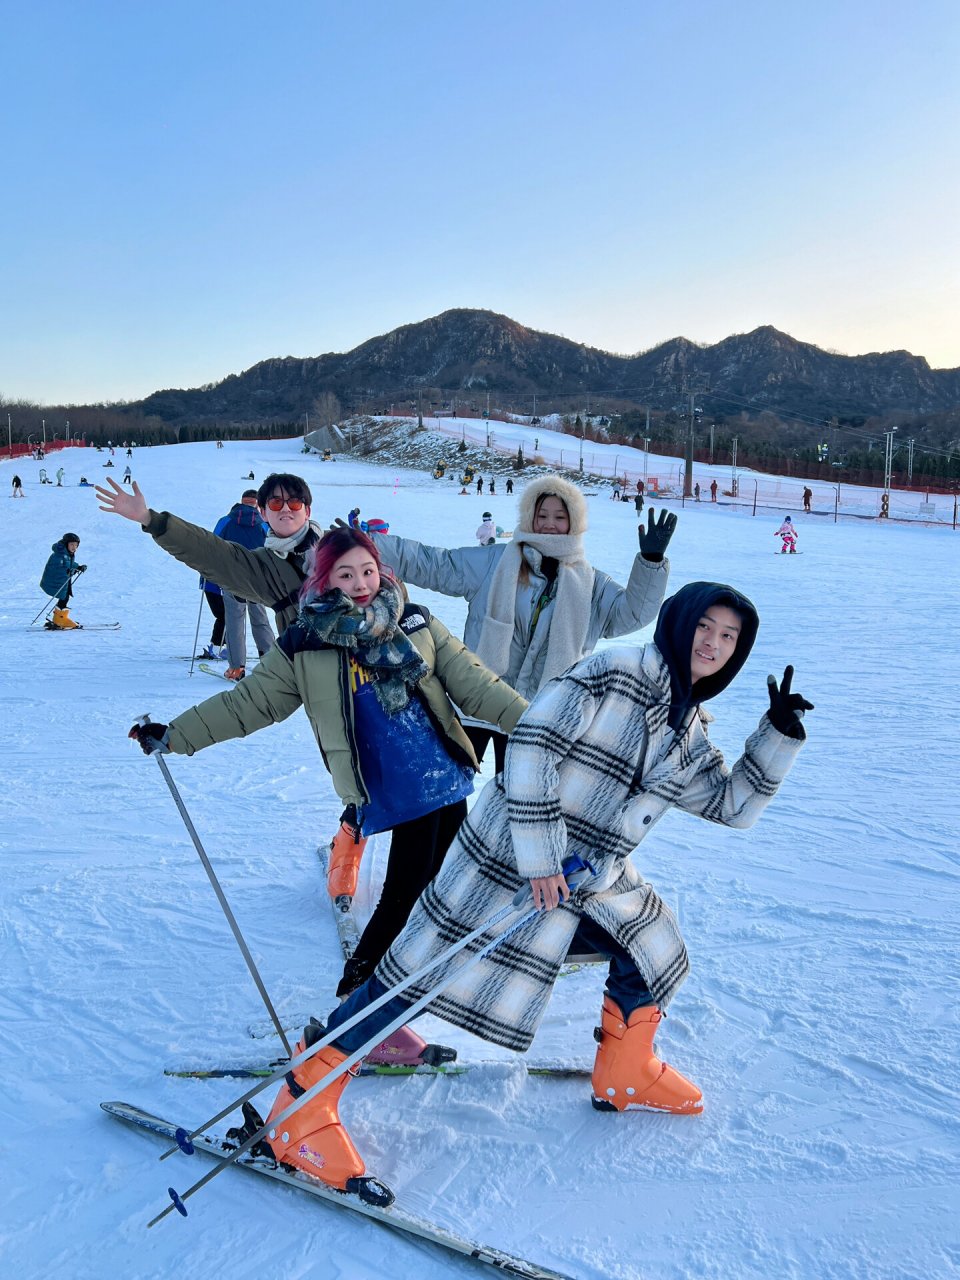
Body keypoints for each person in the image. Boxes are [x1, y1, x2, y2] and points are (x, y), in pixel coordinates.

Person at [230, 581, 812, 1192]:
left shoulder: (685, 729)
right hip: (510, 862)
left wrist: (776, 734)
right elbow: (531, 745)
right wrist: (541, 859)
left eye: (729, 638)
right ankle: (301, 1103)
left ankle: (627, 1068)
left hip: (591, 878)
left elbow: (731, 806)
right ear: (679, 622)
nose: (714, 645)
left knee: (651, 943)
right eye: (705, 628)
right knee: (417, 974)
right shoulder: (613, 672)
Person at [129, 525, 527, 1013]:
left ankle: (412, 974)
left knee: (438, 883)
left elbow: (478, 685)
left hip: (444, 772)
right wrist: (177, 735)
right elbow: (249, 704)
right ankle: (355, 1004)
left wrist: (539, 723)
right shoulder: (307, 643)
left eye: (368, 570)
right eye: (346, 573)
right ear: (325, 578)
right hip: (395, 785)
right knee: (405, 893)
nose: (361, 583)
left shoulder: (416, 622)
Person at [374, 475, 676, 773]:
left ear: (574, 522)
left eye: (559, 516)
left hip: (537, 715)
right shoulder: (495, 561)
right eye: (541, 514)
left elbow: (633, 613)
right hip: (474, 701)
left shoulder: (591, 585)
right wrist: (368, 546)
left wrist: (650, 563)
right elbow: (435, 564)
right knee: (448, 795)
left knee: (514, 805)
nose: (549, 523)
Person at [95, 472, 323, 632]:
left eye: (293, 503)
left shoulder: (339, 547)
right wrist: (149, 519)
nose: (285, 508)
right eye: (275, 503)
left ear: (307, 510)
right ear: (262, 512)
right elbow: (211, 552)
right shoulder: (265, 568)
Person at [214, 489, 275, 680]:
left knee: (234, 621)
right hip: (257, 580)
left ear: (241, 502)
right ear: (257, 503)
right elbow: (272, 549)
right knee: (260, 619)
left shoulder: (226, 521)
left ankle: (236, 668)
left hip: (232, 579)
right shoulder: (264, 524)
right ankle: (271, 662)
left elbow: (213, 546)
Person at [40, 532, 86, 628]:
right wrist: (69, 571)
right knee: (64, 597)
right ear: (66, 544)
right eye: (72, 544)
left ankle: (58, 618)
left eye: (76, 545)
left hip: (62, 580)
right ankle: (60, 620)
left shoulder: (66, 554)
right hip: (54, 581)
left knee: (65, 597)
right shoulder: (58, 556)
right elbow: (57, 568)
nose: (74, 547)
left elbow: (69, 563)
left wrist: (78, 567)